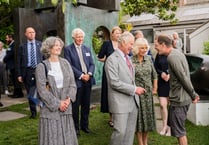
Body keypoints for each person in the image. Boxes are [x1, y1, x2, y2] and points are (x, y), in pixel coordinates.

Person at [155, 34, 200, 145]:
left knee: (180, 132)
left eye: (156, 45)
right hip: (179, 98)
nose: (155, 47)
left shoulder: (172, 57)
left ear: (163, 44)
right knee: (177, 130)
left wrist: (193, 94)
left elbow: (183, 77)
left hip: (179, 99)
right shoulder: (177, 53)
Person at [35, 36, 78, 145]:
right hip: (51, 111)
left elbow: (73, 84)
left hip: (66, 108)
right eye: (56, 45)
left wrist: (68, 100)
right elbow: (42, 91)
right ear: (49, 48)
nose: (59, 47)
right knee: (53, 139)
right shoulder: (41, 66)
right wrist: (58, 104)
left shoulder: (65, 63)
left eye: (60, 45)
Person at [105, 31, 146, 145]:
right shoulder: (112, 59)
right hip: (120, 103)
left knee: (129, 134)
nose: (132, 47)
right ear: (123, 43)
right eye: (130, 44)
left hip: (133, 102)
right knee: (120, 132)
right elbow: (114, 82)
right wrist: (134, 89)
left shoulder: (128, 58)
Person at [64, 28, 95, 136]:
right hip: (76, 82)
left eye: (81, 37)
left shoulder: (87, 48)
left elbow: (92, 64)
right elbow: (69, 65)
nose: (80, 39)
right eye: (78, 36)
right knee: (75, 106)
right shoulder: (68, 49)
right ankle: (75, 128)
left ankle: (85, 126)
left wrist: (89, 74)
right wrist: (81, 75)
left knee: (86, 105)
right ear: (73, 37)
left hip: (88, 81)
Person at [132, 37, 158, 145]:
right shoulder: (130, 60)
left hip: (148, 94)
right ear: (137, 48)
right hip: (137, 94)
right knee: (138, 120)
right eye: (141, 48)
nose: (144, 50)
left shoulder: (148, 58)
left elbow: (154, 74)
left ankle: (145, 141)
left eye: (145, 48)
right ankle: (140, 142)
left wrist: (155, 88)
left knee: (147, 118)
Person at [97, 26, 122, 127]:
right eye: (116, 33)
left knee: (119, 93)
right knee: (109, 93)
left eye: (120, 33)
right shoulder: (107, 44)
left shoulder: (121, 44)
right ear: (112, 34)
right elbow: (100, 57)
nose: (118, 35)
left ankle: (119, 115)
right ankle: (111, 118)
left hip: (120, 72)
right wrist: (108, 61)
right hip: (109, 72)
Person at [16, 27, 43, 118]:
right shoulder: (22, 46)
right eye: (29, 32)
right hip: (27, 72)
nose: (31, 34)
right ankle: (33, 112)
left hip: (39, 71)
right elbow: (18, 61)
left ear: (35, 33)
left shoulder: (40, 44)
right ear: (26, 34)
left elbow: (44, 59)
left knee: (41, 91)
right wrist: (19, 74)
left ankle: (43, 109)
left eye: (33, 32)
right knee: (31, 93)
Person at [154, 53, 170, 136]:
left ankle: (170, 127)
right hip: (162, 82)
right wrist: (161, 73)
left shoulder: (173, 52)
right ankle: (164, 127)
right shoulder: (159, 54)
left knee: (171, 106)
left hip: (172, 82)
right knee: (162, 105)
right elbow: (155, 67)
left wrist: (170, 74)